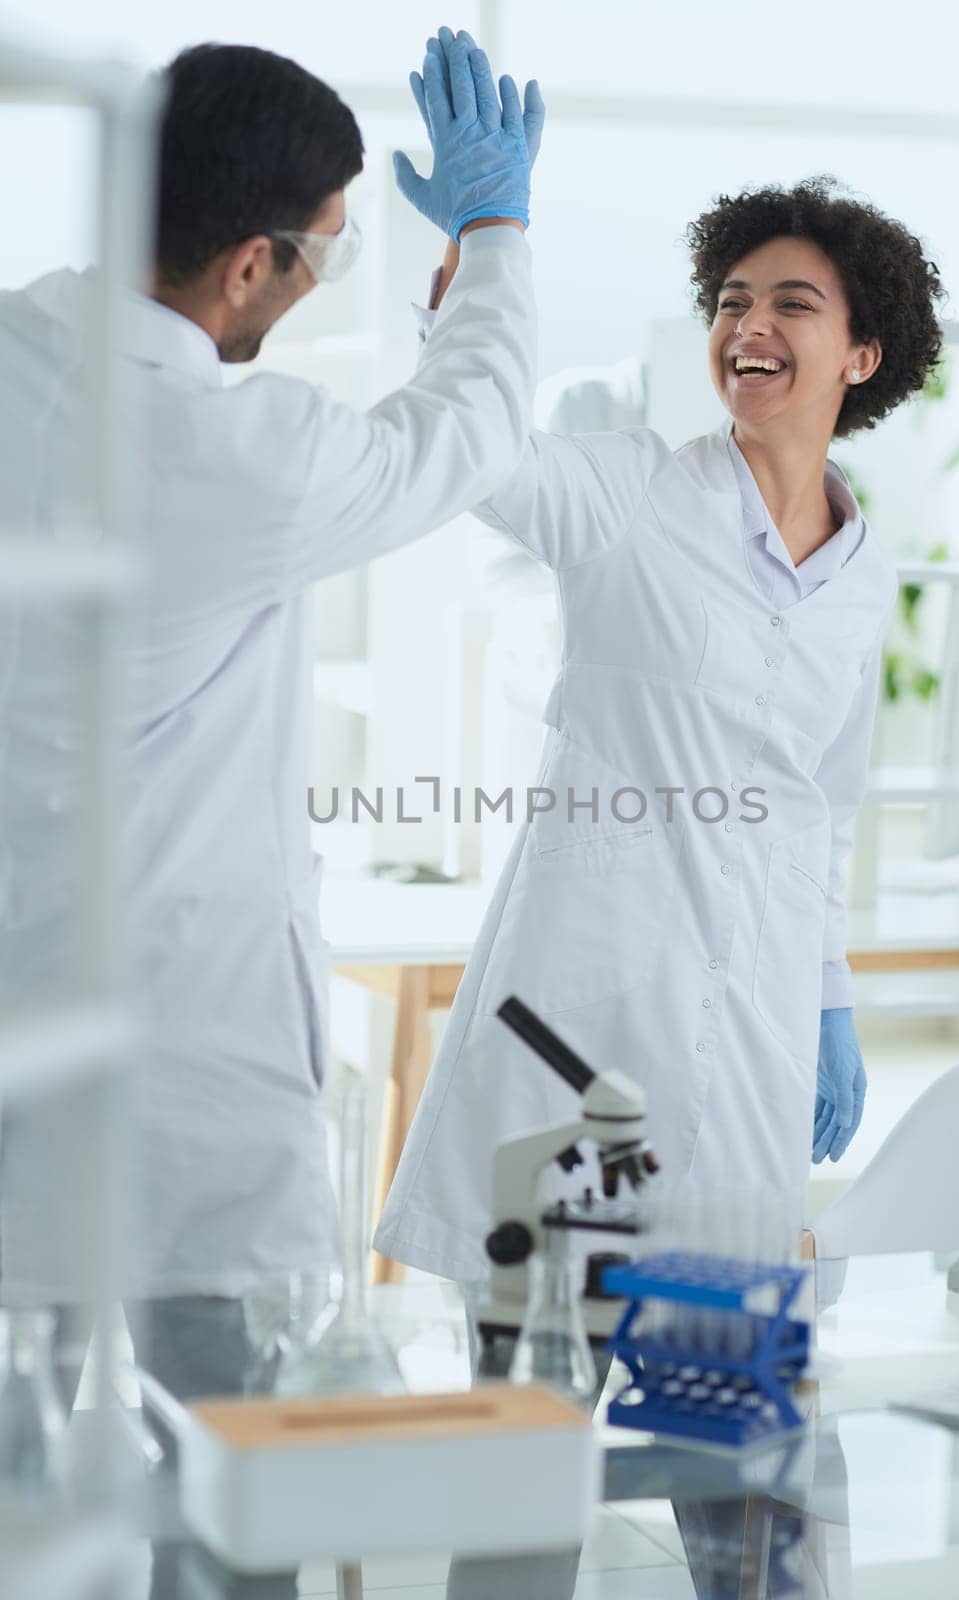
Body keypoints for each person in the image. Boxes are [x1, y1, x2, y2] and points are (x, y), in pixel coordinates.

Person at [0, 18, 540, 1508]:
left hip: (23, 1087)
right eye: (322, 258)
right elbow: (472, 426)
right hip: (184, 1113)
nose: (310, 293)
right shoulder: (241, 454)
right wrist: (492, 230)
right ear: (247, 263)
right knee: (216, 1524)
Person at [376, 175, 945, 1289]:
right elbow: (479, 456)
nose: (749, 326)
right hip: (581, 1012)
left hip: (754, 1024)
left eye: (790, 304)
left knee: (730, 1416)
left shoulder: (861, 569)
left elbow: (822, 802)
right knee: (537, 1387)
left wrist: (827, 995)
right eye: (731, 302)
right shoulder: (629, 492)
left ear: (861, 355)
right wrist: (473, 279)